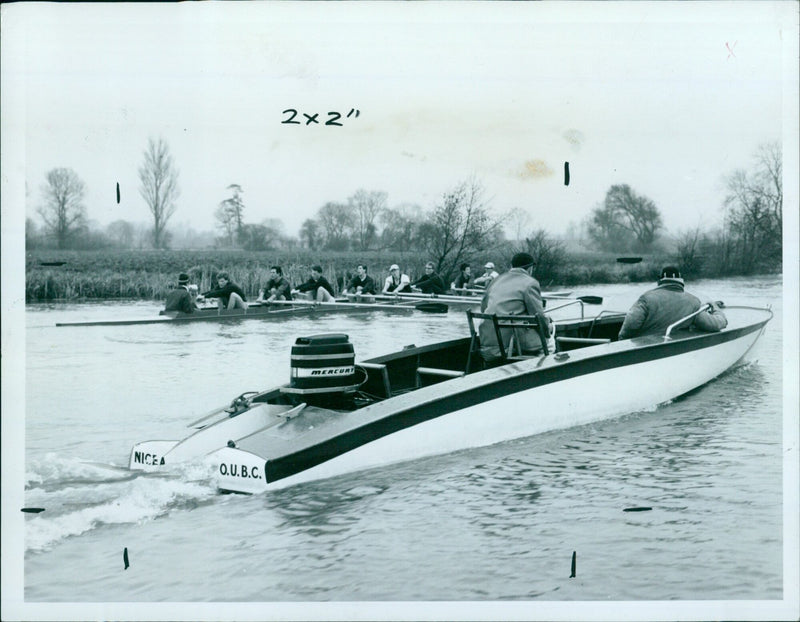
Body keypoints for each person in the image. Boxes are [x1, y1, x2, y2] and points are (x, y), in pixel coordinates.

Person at [618, 266, 727, 340]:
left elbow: (629, 327)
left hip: (643, 349)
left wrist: (622, 342)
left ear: (660, 280)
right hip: (673, 348)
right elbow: (715, 324)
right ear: (681, 281)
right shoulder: (693, 302)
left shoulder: (646, 298)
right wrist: (715, 307)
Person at [478, 252, 551, 362]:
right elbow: (539, 316)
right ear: (530, 268)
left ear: (512, 266)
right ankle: (543, 370)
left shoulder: (495, 280)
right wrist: (548, 330)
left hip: (487, 342)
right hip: (512, 345)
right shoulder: (530, 283)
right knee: (550, 340)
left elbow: (483, 308)